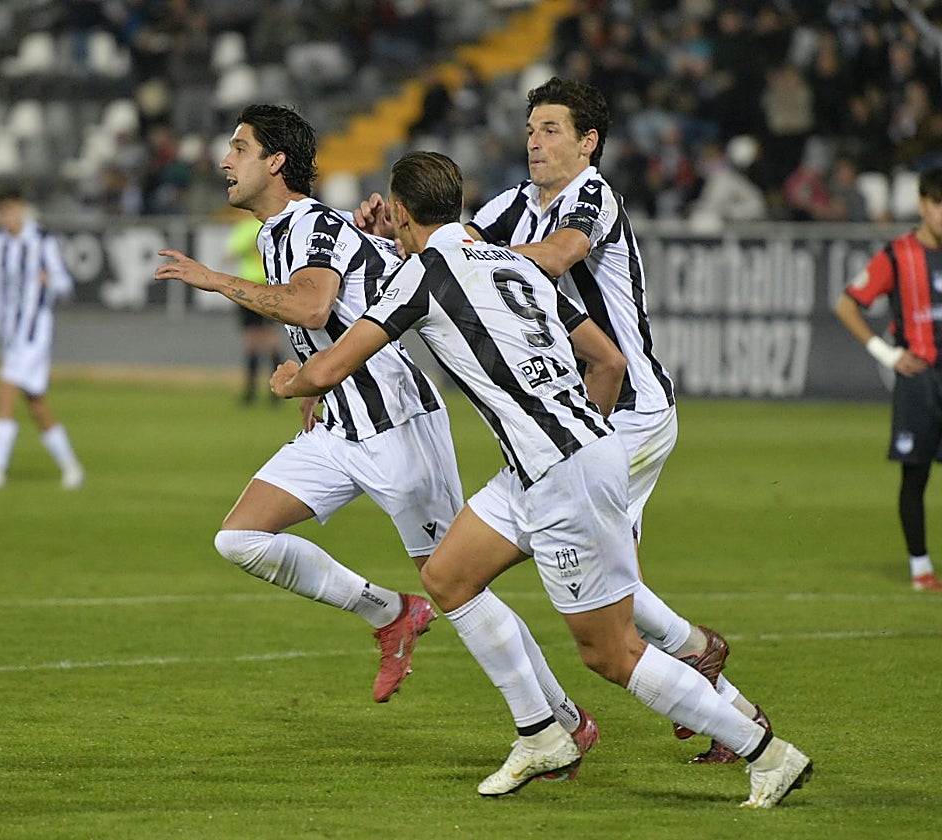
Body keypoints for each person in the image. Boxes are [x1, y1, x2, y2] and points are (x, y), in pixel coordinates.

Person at [274, 149, 813, 808]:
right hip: (553, 463)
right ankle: (540, 734)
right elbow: (608, 360)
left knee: (610, 654)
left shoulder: (424, 275)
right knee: (447, 575)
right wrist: (579, 435)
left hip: (561, 474)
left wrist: (291, 380)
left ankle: (766, 752)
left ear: (405, 213)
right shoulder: (513, 263)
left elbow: (330, 370)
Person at [355, 77, 770, 764]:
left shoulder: (591, 194)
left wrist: (455, 260)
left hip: (628, 411)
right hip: (578, 421)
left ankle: (697, 675)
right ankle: (718, 693)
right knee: (599, 580)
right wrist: (398, 234)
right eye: (529, 129)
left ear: (588, 142)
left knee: (599, 586)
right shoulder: (515, 204)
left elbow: (551, 257)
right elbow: (450, 249)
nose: (535, 142)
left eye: (552, 129)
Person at [155, 105, 599, 744]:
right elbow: (362, 290)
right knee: (240, 538)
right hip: (338, 427)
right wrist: (312, 384)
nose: (225, 161)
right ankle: (392, 613)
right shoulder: (283, 232)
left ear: (276, 163)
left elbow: (312, 306)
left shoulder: (309, 223)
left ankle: (560, 719)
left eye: (240, 148)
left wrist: (214, 280)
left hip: (399, 426)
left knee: (458, 583)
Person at [833, 165, 942, 592]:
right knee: (915, 475)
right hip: (920, 381)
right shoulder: (898, 255)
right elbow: (847, 304)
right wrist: (887, 353)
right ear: (923, 205)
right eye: (938, 205)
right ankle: (920, 568)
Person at [0, 185, 84, 492]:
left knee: (4, 394)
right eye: (2, 211)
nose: (7, 217)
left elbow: (65, 284)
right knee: (36, 404)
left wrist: (50, 281)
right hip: (6, 334)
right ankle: (72, 467)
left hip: (33, 334)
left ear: (22, 209)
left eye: (11, 209)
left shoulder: (42, 241)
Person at [226, 212, 283, 404]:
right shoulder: (271, 226)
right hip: (267, 287)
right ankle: (277, 391)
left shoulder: (244, 228)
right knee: (270, 339)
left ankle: (251, 392)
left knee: (254, 341)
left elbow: (231, 255)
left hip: (250, 288)